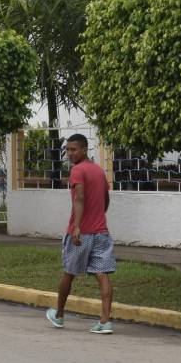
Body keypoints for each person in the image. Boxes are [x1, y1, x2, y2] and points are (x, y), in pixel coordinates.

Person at [46, 133, 115, 334]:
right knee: (102, 274)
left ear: (85, 150)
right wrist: (98, 216)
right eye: (67, 149)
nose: (69, 153)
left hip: (81, 233)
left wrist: (77, 226)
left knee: (69, 272)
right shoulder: (99, 171)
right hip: (101, 232)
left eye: (73, 149)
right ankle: (105, 321)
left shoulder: (77, 171)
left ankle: (59, 316)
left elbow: (80, 197)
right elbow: (106, 200)